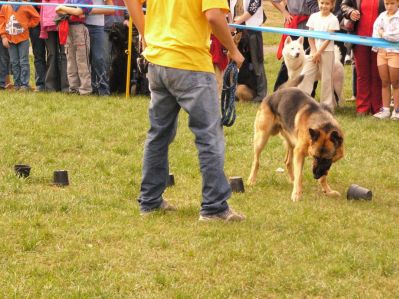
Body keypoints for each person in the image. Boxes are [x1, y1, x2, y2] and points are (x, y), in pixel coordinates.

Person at [123, 0, 246, 221]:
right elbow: (213, 16)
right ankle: (215, 207)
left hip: (158, 62)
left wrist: (146, 34)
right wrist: (234, 50)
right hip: (191, 64)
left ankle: (150, 201)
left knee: (158, 134)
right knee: (209, 136)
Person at [341, 0, 385, 116]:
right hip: (359, 39)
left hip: (380, 40)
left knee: (377, 75)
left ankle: (377, 107)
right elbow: (344, 5)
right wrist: (350, 12)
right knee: (362, 74)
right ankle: (363, 107)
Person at [297, 0, 340, 110]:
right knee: (305, 74)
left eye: (327, 3)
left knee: (326, 79)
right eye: (322, 3)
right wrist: (314, 51)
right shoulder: (313, 16)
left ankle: (327, 106)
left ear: (332, 5)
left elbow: (328, 39)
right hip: (314, 51)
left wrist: (319, 52)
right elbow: (310, 36)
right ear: (318, 3)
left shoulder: (333, 19)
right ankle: (301, 102)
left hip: (327, 52)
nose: (324, 6)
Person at [272, 0, 319, 91]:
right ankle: (278, 91)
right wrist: (284, 12)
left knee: (312, 60)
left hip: (312, 26)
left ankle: (309, 93)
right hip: (294, 25)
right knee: (288, 60)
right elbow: (275, 1)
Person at [230, 0, 267, 102]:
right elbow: (229, 10)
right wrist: (231, 24)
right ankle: (235, 92)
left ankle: (261, 94)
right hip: (237, 30)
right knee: (236, 62)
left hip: (253, 31)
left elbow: (252, 9)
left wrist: (237, 22)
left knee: (256, 62)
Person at [0, 1, 40, 91]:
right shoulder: (5, 6)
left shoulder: (26, 5)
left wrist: (27, 25)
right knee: (14, 62)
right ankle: (17, 84)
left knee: (24, 61)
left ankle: (24, 84)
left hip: (23, 39)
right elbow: (1, 21)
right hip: (10, 39)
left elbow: (36, 17)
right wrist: (3, 36)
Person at [56, 0, 93, 95]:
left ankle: (85, 90)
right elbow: (57, 9)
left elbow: (78, 12)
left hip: (79, 29)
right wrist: (72, 11)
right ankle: (73, 88)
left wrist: (66, 10)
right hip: (68, 29)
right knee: (70, 61)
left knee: (82, 61)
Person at [371, 0, 399, 120]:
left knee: (396, 83)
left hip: (396, 53)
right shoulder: (381, 16)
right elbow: (375, 33)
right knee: (384, 82)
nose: (389, 6)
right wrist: (383, 35)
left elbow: (397, 35)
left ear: (398, 2)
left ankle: (397, 111)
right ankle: (386, 109)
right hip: (382, 52)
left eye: (392, 3)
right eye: (387, 3)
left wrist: (383, 34)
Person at [85, 0, 114, 96]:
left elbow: (111, 9)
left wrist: (89, 10)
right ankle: (90, 88)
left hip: (97, 27)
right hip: (80, 24)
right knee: (85, 59)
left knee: (98, 58)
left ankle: (103, 90)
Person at [40, 0, 69, 92]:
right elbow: (42, 7)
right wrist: (43, 27)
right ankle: (50, 87)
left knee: (65, 54)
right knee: (52, 54)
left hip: (63, 22)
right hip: (49, 24)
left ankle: (66, 87)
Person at [29, 0, 47, 92]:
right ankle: (40, 84)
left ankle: (53, 83)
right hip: (35, 24)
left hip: (50, 22)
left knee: (54, 54)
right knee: (38, 55)